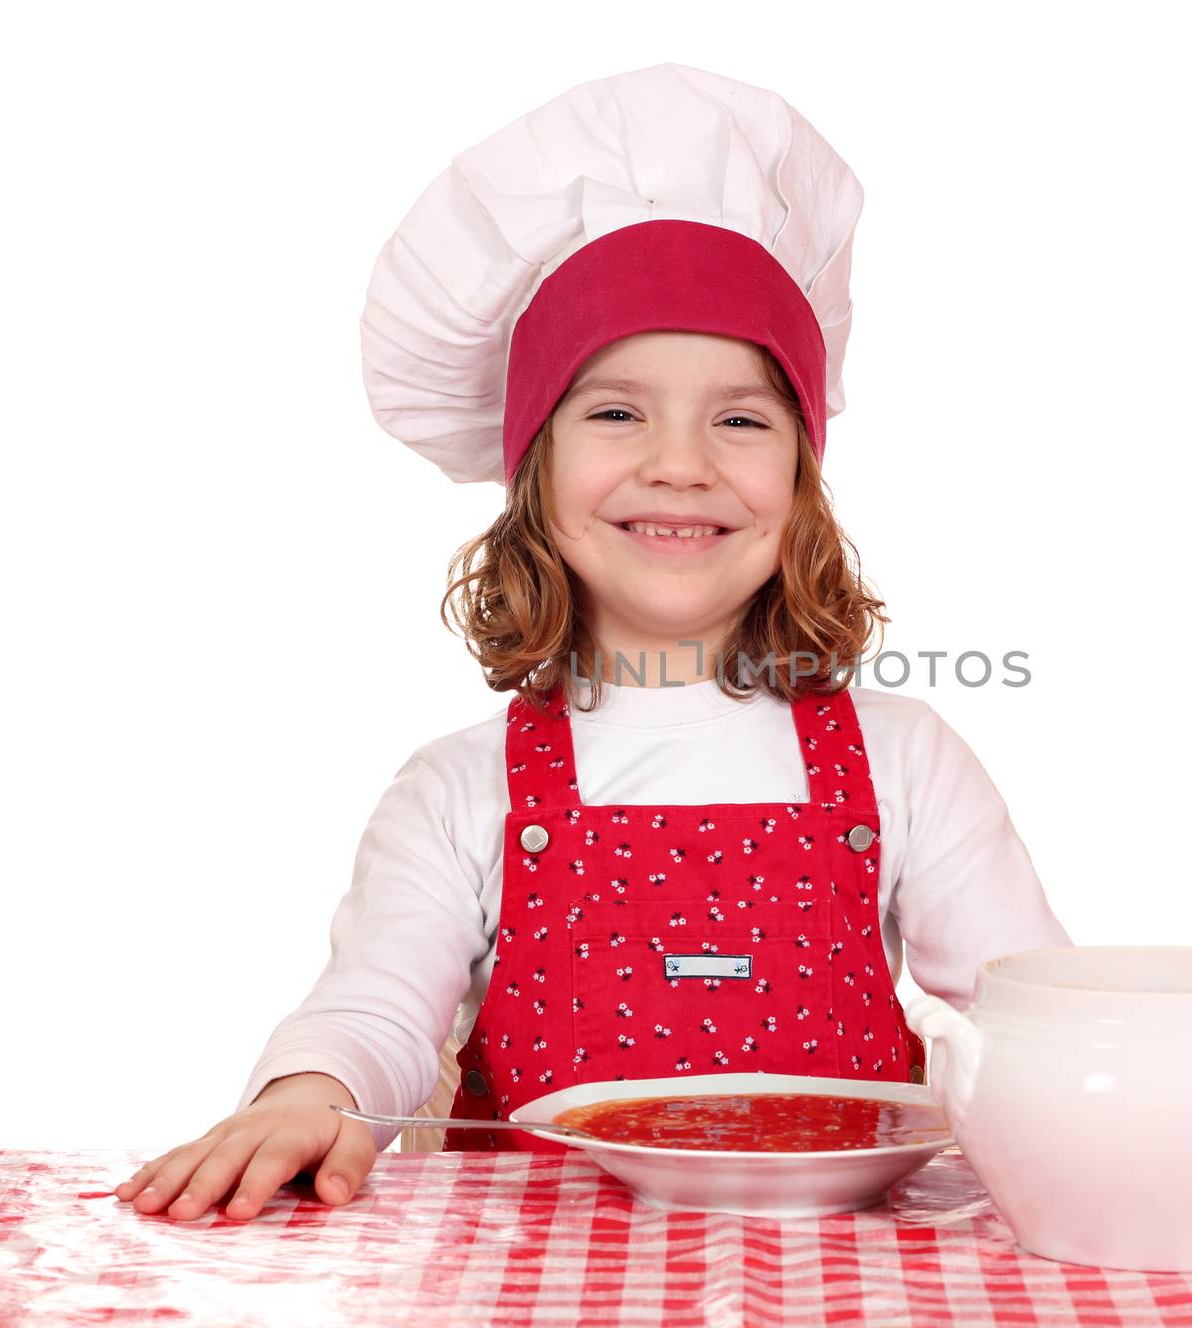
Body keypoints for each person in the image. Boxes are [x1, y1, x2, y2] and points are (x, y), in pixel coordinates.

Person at [116, 61, 1071, 1224]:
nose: (680, 461)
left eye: (740, 416)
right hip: (530, 1279)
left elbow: (1040, 1016)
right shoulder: (460, 788)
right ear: (535, 470)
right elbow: (377, 1003)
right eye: (616, 410)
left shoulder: (908, 757)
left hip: (848, 1277)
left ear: (801, 478)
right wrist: (311, 1088)